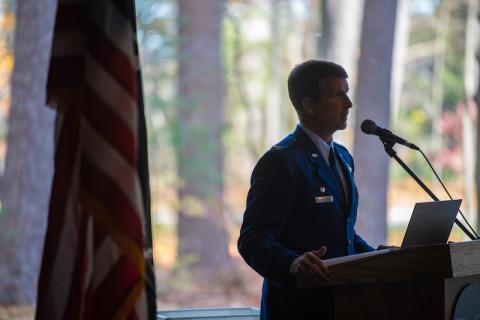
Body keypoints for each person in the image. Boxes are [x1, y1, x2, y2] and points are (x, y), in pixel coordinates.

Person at [237, 60, 375, 319]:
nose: (348, 103)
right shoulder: (281, 161)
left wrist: (378, 256)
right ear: (309, 105)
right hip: (296, 307)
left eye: (347, 93)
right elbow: (253, 239)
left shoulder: (344, 157)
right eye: (338, 94)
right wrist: (291, 263)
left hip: (343, 304)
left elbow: (340, 234)